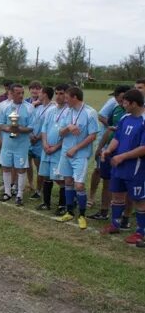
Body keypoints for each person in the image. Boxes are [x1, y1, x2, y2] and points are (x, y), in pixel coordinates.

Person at [99, 89, 145, 246]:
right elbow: (117, 138)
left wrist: (122, 156)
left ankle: (140, 233)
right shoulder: (125, 118)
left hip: (136, 168)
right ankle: (115, 224)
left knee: (139, 200)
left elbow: (143, 148)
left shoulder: (144, 120)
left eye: (125, 102)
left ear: (133, 103)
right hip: (119, 165)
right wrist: (108, 150)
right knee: (117, 194)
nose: (123, 105)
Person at [56, 87, 98, 230]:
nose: (64, 100)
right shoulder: (67, 111)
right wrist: (68, 127)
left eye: (67, 98)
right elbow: (60, 133)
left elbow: (93, 136)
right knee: (67, 181)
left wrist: (76, 148)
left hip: (80, 154)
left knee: (79, 185)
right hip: (65, 153)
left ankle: (82, 215)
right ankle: (69, 211)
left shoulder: (90, 112)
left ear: (74, 97)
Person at [89, 85, 131, 221]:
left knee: (124, 184)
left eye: (123, 100)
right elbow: (110, 130)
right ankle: (104, 211)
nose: (121, 103)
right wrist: (100, 148)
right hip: (109, 150)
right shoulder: (117, 110)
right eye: (119, 100)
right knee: (106, 180)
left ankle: (124, 216)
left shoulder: (137, 115)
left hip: (125, 153)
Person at [0, 84, 34, 206]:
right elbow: (0, 124)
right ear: (11, 94)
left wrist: (18, 129)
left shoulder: (29, 108)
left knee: (21, 169)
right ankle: (7, 192)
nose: (21, 95)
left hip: (21, 145)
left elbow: (31, 128)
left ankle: (19, 194)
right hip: (8, 144)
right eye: (18, 93)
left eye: (22, 93)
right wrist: (9, 129)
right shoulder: (4, 107)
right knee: (6, 166)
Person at [37, 84, 69, 214]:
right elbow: (44, 129)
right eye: (57, 93)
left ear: (67, 95)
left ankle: (62, 205)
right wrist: (44, 143)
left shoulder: (70, 112)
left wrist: (55, 147)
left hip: (58, 151)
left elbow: (68, 136)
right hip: (46, 149)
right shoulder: (51, 110)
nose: (59, 96)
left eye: (62, 93)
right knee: (46, 176)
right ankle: (46, 202)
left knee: (60, 178)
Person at [28, 86, 54, 200]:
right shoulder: (38, 107)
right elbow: (32, 122)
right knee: (30, 164)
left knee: (40, 167)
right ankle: (34, 186)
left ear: (45, 94)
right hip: (32, 140)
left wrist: (38, 137)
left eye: (40, 92)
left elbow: (48, 127)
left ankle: (39, 190)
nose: (38, 93)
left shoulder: (52, 109)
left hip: (40, 142)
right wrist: (31, 135)